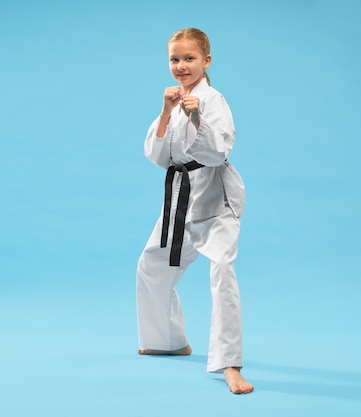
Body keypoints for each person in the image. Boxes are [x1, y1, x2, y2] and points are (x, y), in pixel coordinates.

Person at [136, 27, 253, 395]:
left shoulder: (213, 99)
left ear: (206, 61)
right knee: (152, 265)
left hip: (215, 201)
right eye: (175, 59)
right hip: (180, 199)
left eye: (189, 58)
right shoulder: (174, 99)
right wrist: (167, 112)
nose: (181, 66)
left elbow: (218, 152)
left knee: (221, 269)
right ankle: (167, 340)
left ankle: (229, 363)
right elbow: (157, 157)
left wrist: (198, 117)